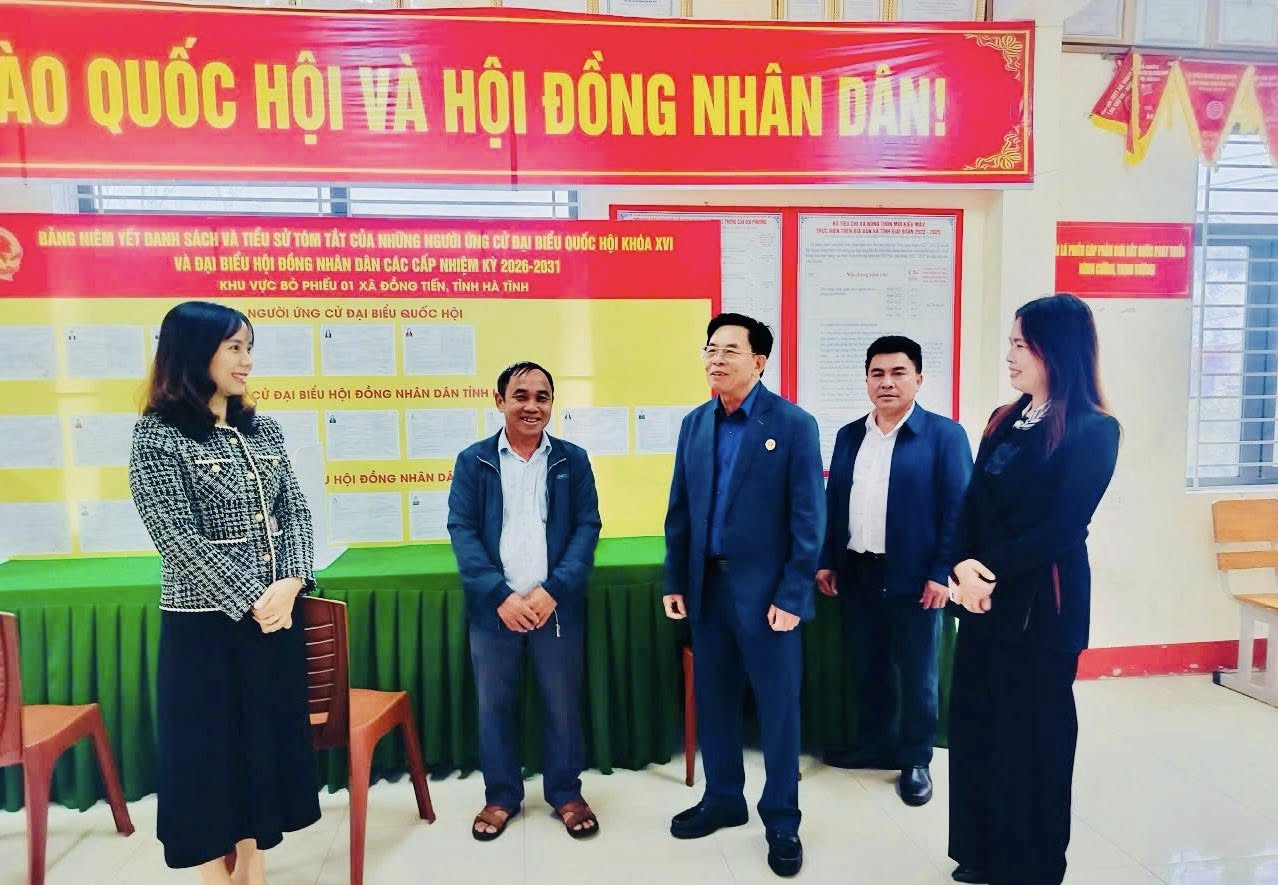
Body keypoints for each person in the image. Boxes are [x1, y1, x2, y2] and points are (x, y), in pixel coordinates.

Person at [128, 301, 320, 885]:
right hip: (205, 628)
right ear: (194, 353)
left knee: (263, 745)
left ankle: (254, 866)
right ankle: (215, 873)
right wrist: (254, 599)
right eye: (234, 347)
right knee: (208, 756)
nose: (246, 360)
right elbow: (175, 537)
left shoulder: (263, 429)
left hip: (274, 617)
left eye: (248, 347)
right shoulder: (157, 436)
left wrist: (291, 582)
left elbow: (295, 511)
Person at [945, 294, 1120, 885]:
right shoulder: (1003, 419)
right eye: (1011, 343)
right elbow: (971, 504)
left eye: (1022, 344)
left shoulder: (1094, 429)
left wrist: (985, 572)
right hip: (981, 602)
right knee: (978, 728)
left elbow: (1063, 527)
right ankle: (981, 851)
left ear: (1056, 350)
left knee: (1034, 739)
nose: (1010, 355)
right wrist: (961, 566)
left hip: (1042, 610)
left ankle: (1030, 867)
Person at [662, 312, 825, 878]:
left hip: (768, 595)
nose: (716, 359)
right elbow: (680, 510)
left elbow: (809, 519)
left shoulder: (794, 424)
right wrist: (675, 579)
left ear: (759, 361)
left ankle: (781, 818)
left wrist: (793, 594)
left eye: (730, 350)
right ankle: (723, 798)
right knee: (714, 699)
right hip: (707, 587)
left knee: (778, 707)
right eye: (710, 348)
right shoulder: (695, 424)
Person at [447, 361, 602, 843]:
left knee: (563, 706)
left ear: (551, 403)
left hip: (556, 607)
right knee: (494, 707)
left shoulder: (573, 460)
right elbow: (462, 531)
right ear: (499, 401)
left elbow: (587, 528)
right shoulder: (473, 461)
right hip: (495, 609)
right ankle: (501, 797)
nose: (532, 406)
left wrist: (554, 590)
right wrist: (500, 596)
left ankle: (566, 794)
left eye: (542, 397)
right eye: (521, 396)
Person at [816, 336, 972, 806]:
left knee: (918, 672)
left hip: (916, 578)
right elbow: (834, 502)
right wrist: (828, 559)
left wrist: (942, 572)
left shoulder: (944, 436)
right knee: (869, 665)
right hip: (859, 572)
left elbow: (959, 510)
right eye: (877, 374)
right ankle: (876, 745)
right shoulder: (849, 435)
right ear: (866, 380)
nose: (887, 382)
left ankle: (916, 759)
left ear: (918, 379)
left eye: (898, 373)